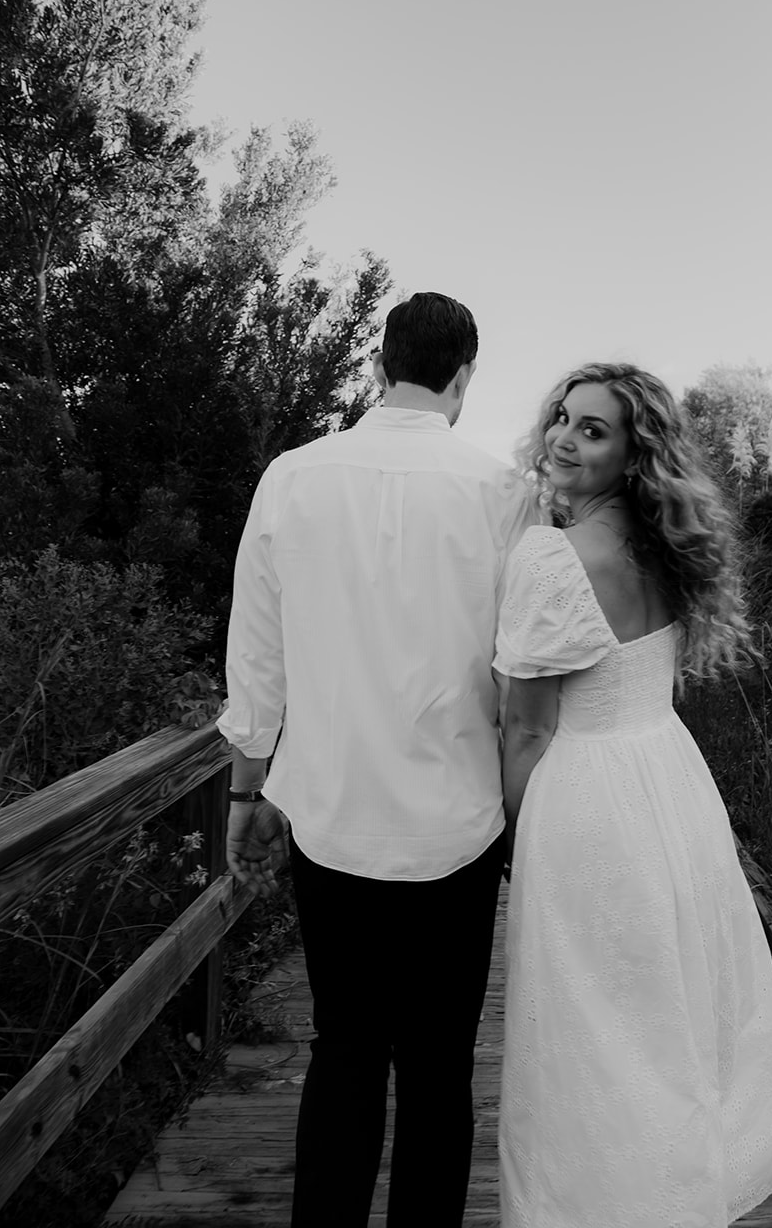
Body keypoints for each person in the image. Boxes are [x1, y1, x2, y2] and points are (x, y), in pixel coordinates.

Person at [217, 291, 533, 1228]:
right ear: (465, 375)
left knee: (344, 1047)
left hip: (332, 815)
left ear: (378, 364)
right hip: (460, 823)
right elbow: (522, 678)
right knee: (439, 1067)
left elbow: (256, 652)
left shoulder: (292, 477)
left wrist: (247, 787)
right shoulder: (501, 494)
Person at [496, 362, 772, 1228]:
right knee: (663, 1009)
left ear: (633, 453)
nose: (564, 437)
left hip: (586, 798)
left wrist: (511, 838)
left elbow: (525, 729)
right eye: (562, 418)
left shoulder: (551, 557)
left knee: (588, 1027)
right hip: (668, 786)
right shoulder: (671, 548)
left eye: (592, 428)